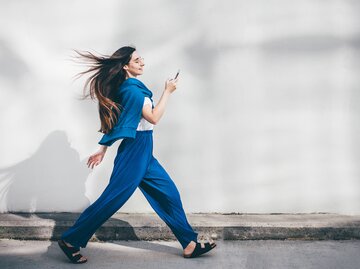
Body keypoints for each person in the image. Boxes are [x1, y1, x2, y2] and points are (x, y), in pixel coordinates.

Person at [57, 46, 216, 264]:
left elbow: (119, 121)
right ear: (125, 66)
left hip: (144, 151)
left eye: (142, 59)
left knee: (169, 194)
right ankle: (71, 240)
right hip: (134, 152)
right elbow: (153, 118)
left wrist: (102, 149)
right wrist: (168, 91)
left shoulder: (131, 89)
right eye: (137, 60)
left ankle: (189, 243)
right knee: (112, 200)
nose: (142, 62)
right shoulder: (132, 91)